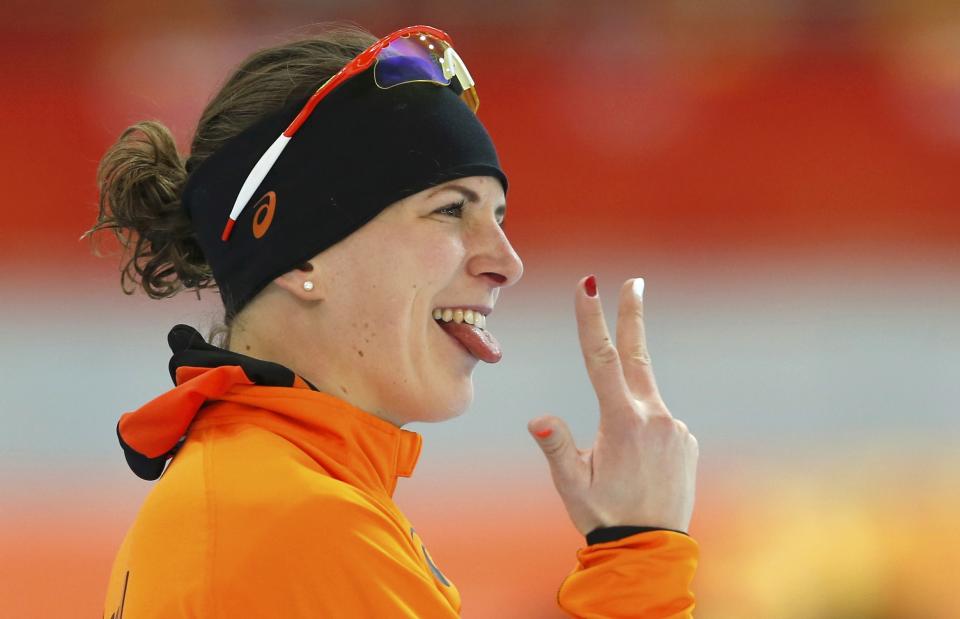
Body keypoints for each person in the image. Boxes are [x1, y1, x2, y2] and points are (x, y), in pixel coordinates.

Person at [89, 24, 699, 618]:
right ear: (301, 254)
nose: (507, 262)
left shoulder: (270, 490)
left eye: (499, 216)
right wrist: (640, 561)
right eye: (450, 210)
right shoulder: (297, 523)